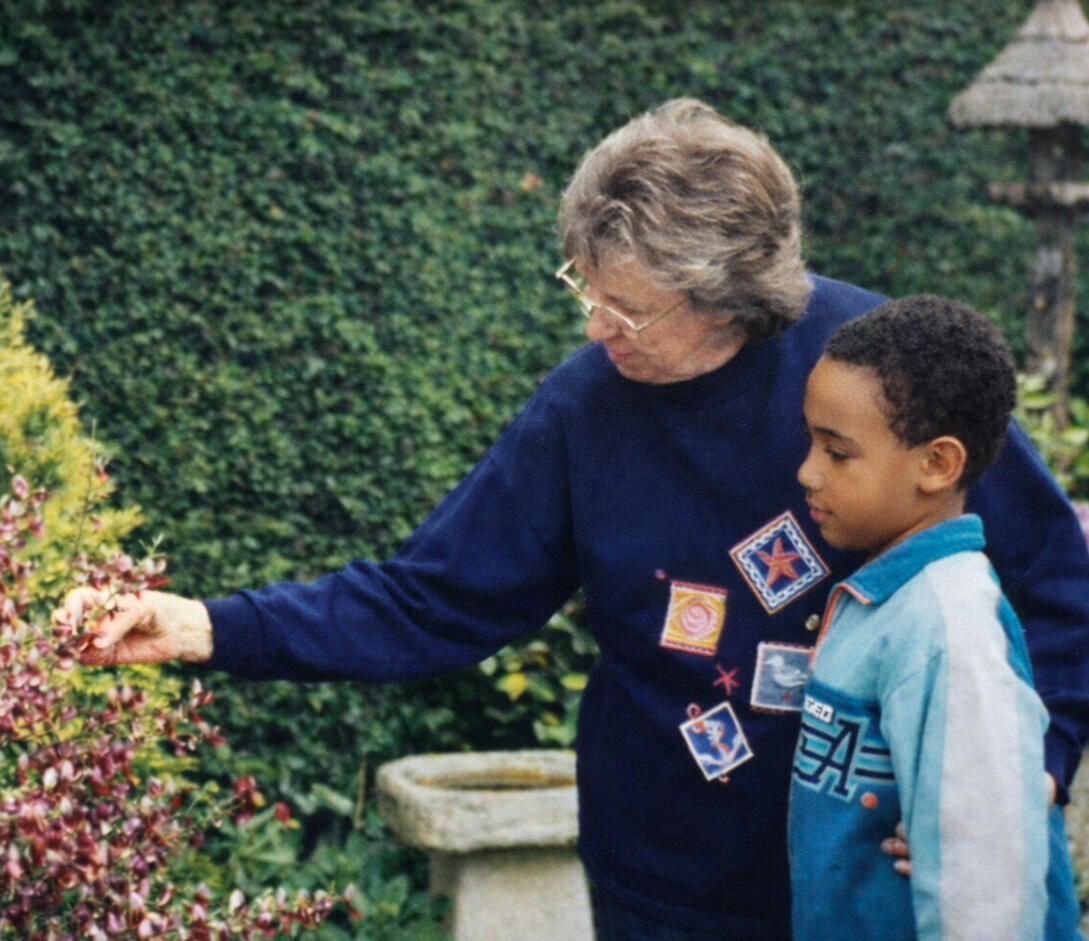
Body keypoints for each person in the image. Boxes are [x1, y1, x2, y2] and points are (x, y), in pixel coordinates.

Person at [70, 99, 1089, 940]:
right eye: (585, 289)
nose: (595, 326)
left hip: (861, 885)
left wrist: (1028, 775)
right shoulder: (584, 408)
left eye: (626, 308)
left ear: (726, 299)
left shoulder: (883, 376)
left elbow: (1055, 586)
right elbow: (436, 597)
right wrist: (209, 624)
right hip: (662, 881)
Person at [791, 295, 1081, 941]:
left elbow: (988, 891)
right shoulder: (886, 598)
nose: (806, 472)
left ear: (936, 464)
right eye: (809, 441)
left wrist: (972, 850)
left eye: (836, 453)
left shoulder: (948, 628)